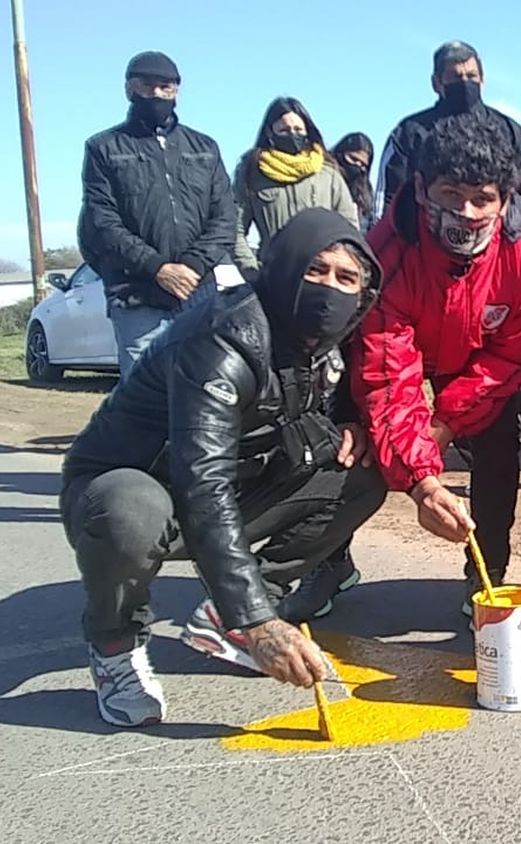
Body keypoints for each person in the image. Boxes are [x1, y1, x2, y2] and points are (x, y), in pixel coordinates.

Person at [60, 208, 389, 727]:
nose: (330, 288)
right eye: (315, 270)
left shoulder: (324, 343)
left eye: (347, 279)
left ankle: (226, 616)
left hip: (232, 484)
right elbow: (201, 480)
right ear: (282, 267)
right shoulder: (224, 336)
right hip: (140, 487)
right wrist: (257, 622)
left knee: (363, 475)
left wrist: (349, 425)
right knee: (131, 514)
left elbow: (313, 415)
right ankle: (115, 645)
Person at [353, 110, 521, 613]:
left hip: (511, 358)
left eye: (482, 198)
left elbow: (518, 353)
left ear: (506, 198)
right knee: (366, 440)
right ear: (422, 188)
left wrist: (446, 420)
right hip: (428, 344)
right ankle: (332, 562)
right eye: (451, 194)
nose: (467, 213)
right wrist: (423, 480)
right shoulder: (386, 251)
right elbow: (387, 378)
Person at [78, 51, 236, 376]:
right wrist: (157, 268)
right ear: (129, 89)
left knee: (202, 392)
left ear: (177, 91)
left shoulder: (204, 147)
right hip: (136, 294)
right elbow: (103, 222)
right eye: (147, 86)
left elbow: (224, 217)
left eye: (166, 87)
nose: (157, 94)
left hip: (198, 291)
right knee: (143, 401)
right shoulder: (104, 148)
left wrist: (191, 266)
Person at [373, 41, 521, 218]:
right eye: (455, 77)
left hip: (497, 239)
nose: (464, 82)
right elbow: (388, 202)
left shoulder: (510, 131)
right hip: (424, 240)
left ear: (482, 80)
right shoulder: (408, 133)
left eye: (471, 76)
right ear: (436, 83)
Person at [232, 97, 359, 281]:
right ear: (270, 132)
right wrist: (252, 272)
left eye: (298, 129)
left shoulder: (328, 174)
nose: (292, 134)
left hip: (319, 279)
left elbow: (349, 229)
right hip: (273, 278)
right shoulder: (252, 171)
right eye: (284, 130)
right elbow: (234, 228)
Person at [334, 132, 378, 231]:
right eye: (353, 159)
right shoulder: (327, 181)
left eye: (363, 165)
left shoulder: (366, 193)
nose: (357, 166)